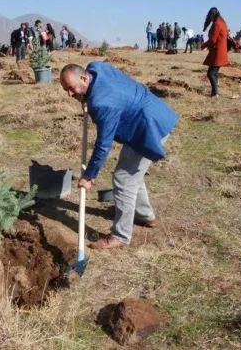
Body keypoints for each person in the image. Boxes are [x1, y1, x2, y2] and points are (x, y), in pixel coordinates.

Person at [58, 62, 178, 249]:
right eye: (66, 90)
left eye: (71, 89)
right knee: (131, 174)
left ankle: (121, 235)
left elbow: (103, 145)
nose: (69, 94)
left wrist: (88, 176)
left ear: (84, 78)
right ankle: (145, 216)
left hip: (149, 128)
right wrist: (85, 97)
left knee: (123, 178)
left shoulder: (102, 104)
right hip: (154, 112)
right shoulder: (96, 68)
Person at [201, 7, 229, 98]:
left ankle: (215, 94)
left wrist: (203, 45)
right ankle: (215, 92)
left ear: (212, 15)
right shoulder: (222, 22)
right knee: (215, 73)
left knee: (211, 73)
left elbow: (213, 40)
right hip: (221, 51)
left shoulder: (217, 24)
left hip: (217, 52)